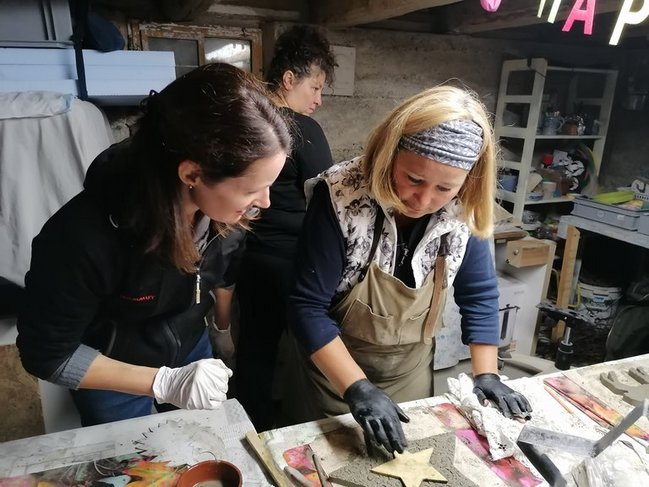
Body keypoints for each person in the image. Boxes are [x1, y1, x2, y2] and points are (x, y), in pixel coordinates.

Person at [16, 63, 292, 426]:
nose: (265, 202)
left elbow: (221, 270)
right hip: (113, 371)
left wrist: (220, 330)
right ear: (191, 173)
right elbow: (46, 354)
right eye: (252, 189)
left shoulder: (223, 215)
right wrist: (162, 382)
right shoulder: (82, 238)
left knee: (208, 445)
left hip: (189, 348)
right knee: (134, 459)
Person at [284, 85, 533, 453]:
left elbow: (479, 294)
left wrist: (487, 374)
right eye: (414, 179)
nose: (424, 200)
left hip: (409, 372)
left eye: (445, 188)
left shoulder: (466, 205)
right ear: (390, 154)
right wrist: (357, 387)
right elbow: (305, 306)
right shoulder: (341, 195)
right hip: (332, 374)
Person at [234, 25, 337, 431]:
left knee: (255, 350)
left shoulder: (248, 121)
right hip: (294, 262)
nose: (318, 100)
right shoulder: (302, 129)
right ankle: (307, 429)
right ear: (289, 79)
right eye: (315, 87)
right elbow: (329, 198)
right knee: (314, 346)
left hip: (248, 258)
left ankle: (249, 429)